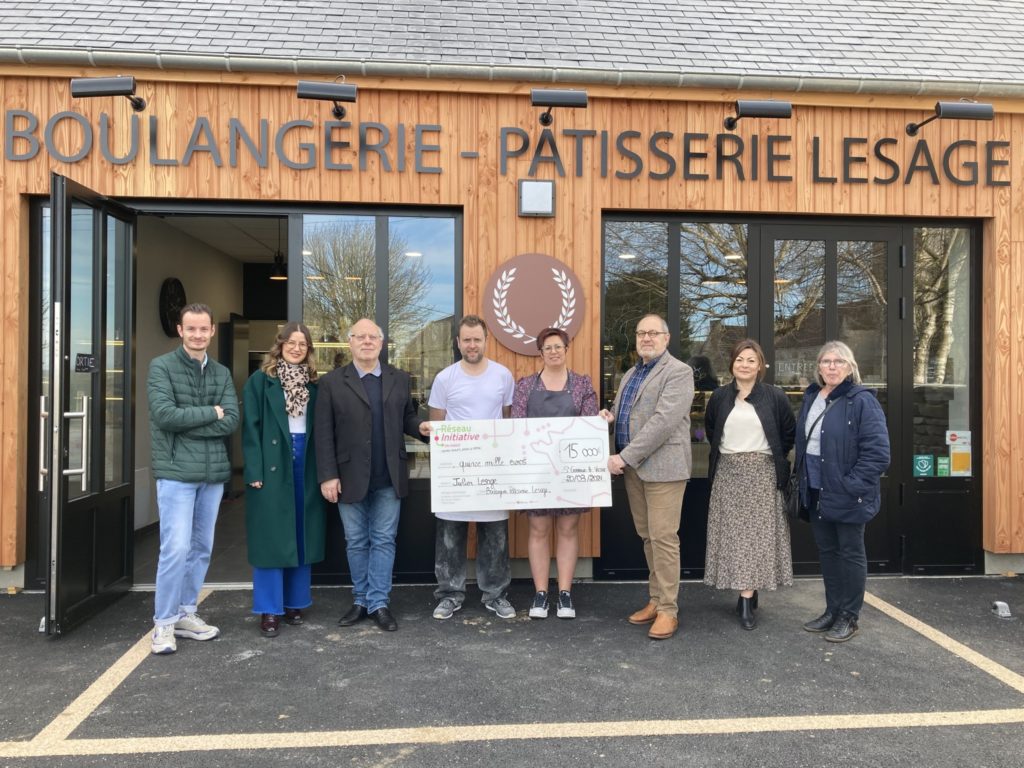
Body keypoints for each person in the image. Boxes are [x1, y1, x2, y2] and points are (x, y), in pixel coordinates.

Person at [315, 318, 431, 632]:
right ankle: (360, 600)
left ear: (381, 343)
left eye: (373, 337)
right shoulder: (332, 383)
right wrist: (327, 475)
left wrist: (420, 428)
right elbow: (323, 433)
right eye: (360, 337)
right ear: (350, 342)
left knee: (383, 540)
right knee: (355, 541)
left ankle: (379, 602)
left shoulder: (399, 378)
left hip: (389, 475)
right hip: (348, 475)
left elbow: (406, 416)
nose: (367, 342)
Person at [147, 303, 239, 655]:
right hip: (176, 475)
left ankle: (187, 613)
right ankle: (164, 624)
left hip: (212, 475)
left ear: (212, 331)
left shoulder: (221, 372)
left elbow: (230, 420)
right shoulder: (162, 367)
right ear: (180, 330)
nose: (198, 334)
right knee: (175, 549)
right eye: (192, 329)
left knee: (201, 548)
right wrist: (209, 415)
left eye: (204, 329)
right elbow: (166, 416)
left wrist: (195, 423)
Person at [599, 314, 694, 640]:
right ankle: (655, 600)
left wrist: (623, 456)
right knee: (648, 536)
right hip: (636, 470)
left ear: (666, 338)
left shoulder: (679, 372)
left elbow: (663, 423)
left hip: (663, 469)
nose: (646, 338)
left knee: (664, 538)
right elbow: (630, 415)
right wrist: (608, 418)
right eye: (641, 333)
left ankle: (669, 610)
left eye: (653, 333)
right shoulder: (630, 374)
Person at [795, 340, 890, 643]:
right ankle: (833, 610)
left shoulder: (862, 400)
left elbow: (878, 453)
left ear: (850, 368)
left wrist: (850, 485)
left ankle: (849, 616)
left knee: (850, 552)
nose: (832, 367)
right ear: (818, 367)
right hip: (816, 489)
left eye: (839, 362)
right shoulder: (812, 397)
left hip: (847, 492)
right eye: (826, 361)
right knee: (828, 552)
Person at [702, 339, 795, 630]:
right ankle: (748, 590)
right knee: (734, 538)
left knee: (756, 539)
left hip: (762, 474)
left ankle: (745, 598)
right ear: (732, 363)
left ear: (760, 365)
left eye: (751, 360)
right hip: (728, 474)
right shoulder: (718, 396)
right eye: (740, 359)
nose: (745, 364)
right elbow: (710, 431)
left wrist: (768, 460)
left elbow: (787, 433)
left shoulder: (774, 396)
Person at [429, 315, 516, 620]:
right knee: (450, 537)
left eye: (477, 339)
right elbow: (437, 426)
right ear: (458, 342)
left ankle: (495, 594)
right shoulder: (445, 378)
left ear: (485, 340)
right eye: (466, 339)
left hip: (492, 468)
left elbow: (507, 421)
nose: (472, 344)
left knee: (495, 536)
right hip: (456, 471)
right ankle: (450, 594)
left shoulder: (503, 376)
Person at [242, 322, 326, 638]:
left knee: (302, 533)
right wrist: (254, 472)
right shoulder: (260, 382)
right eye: (291, 342)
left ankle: (295, 602)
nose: (296, 348)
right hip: (272, 462)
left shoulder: (316, 385)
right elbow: (250, 429)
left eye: (302, 344)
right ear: (280, 346)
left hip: (307, 460)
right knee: (271, 537)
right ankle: (269, 608)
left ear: (309, 351)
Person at [510, 327, 598, 620]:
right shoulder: (524, 387)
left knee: (568, 530)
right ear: (541, 352)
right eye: (548, 347)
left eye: (558, 346)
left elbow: (588, 426)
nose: (554, 351)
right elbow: (518, 429)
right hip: (536, 472)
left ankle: (564, 593)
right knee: (538, 530)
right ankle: (540, 593)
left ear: (566, 348)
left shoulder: (583, 385)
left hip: (571, 472)